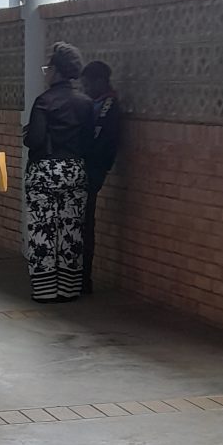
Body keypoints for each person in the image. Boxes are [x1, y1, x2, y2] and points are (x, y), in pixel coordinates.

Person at [23, 42, 93, 303]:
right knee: (71, 230)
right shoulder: (86, 103)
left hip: (45, 172)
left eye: (48, 69)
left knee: (42, 229)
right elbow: (88, 141)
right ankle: (68, 288)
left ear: (56, 70)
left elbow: (35, 139)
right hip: (75, 171)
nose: (46, 73)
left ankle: (45, 290)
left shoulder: (44, 101)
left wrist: (27, 135)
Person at [80, 61, 120, 295]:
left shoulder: (108, 106)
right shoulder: (95, 103)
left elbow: (101, 141)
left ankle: (84, 278)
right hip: (87, 169)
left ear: (100, 81)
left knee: (85, 225)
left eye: (88, 84)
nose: (86, 89)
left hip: (92, 171)